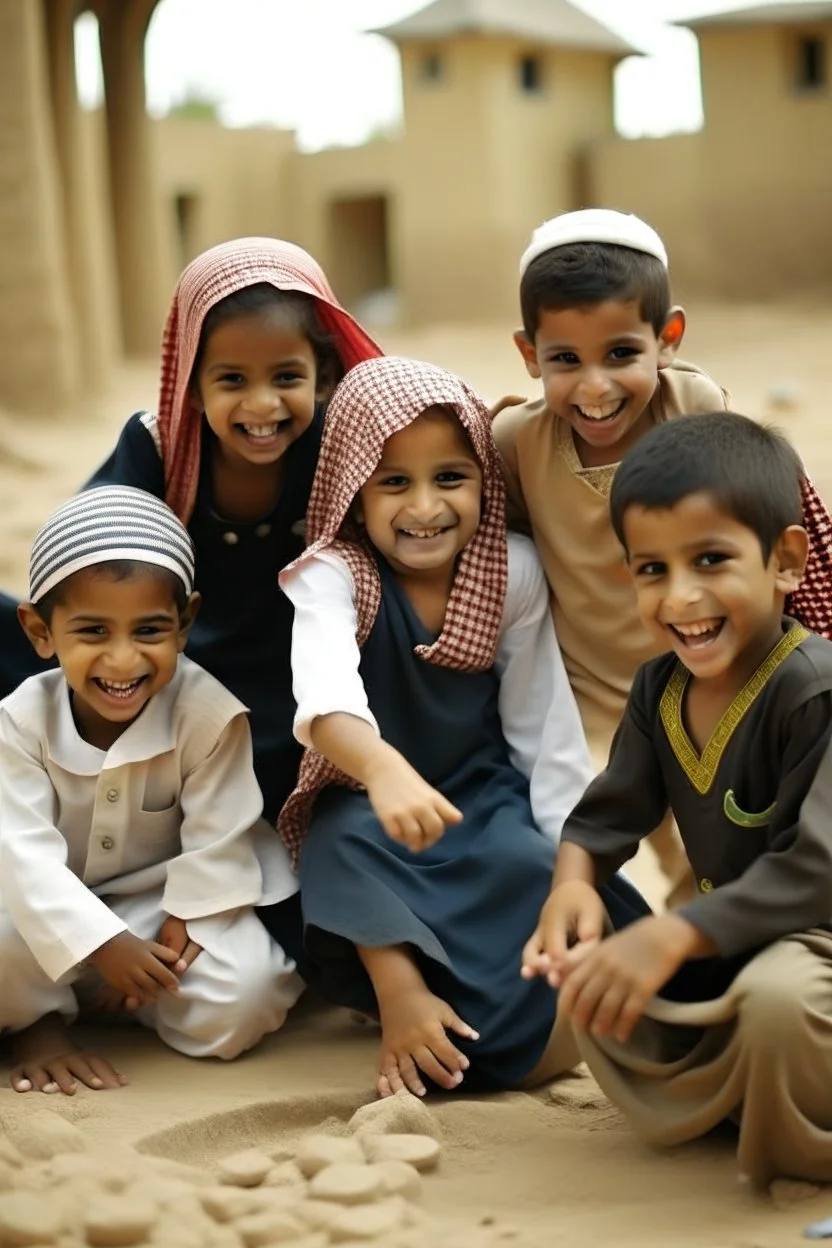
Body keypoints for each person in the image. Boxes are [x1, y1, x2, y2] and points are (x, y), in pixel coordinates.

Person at [276, 356, 649, 1100]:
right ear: (353, 491)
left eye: (451, 478)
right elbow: (323, 698)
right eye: (394, 483)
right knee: (336, 848)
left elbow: (542, 729)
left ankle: (537, 1019)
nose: (425, 507)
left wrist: (571, 861)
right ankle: (402, 999)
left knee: (529, 868)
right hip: (364, 799)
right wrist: (382, 771)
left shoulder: (510, 570)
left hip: (478, 795)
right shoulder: (333, 575)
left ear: (485, 478)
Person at [522, 412, 832, 1187]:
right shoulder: (658, 686)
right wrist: (573, 884)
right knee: (592, 987)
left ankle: (793, 1143)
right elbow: (609, 812)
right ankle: (746, 1098)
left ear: (785, 561)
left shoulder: (813, 690)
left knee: (773, 1005)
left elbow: (816, 869)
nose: (681, 596)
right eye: (652, 569)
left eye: (711, 560)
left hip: (815, 943)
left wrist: (672, 936)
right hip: (726, 943)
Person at [492, 209, 832, 904]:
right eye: (565, 360)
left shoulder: (694, 404)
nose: (595, 388)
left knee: (717, 846)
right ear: (530, 356)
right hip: (590, 706)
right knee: (615, 841)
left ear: (667, 339)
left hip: (707, 674)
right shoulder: (515, 442)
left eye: (621, 354)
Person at [0, 237, 383, 827]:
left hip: (302, 669)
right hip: (169, 658)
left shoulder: (338, 444)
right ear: (194, 387)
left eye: (286, 376)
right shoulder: (158, 445)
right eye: (232, 379)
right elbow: (82, 557)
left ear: (324, 376)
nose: (262, 404)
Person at [0, 486, 302, 1096]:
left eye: (149, 630)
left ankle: (127, 997)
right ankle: (36, 1026)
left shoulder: (208, 715)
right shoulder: (20, 720)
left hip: (159, 910)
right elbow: (21, 856)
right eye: (92, 631)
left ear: (185, 623)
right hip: (35, 912)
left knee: (247, 995)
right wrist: (103, 945)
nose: (122, 658)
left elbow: (222, 841)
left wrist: (175, 929)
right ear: (40, 631)